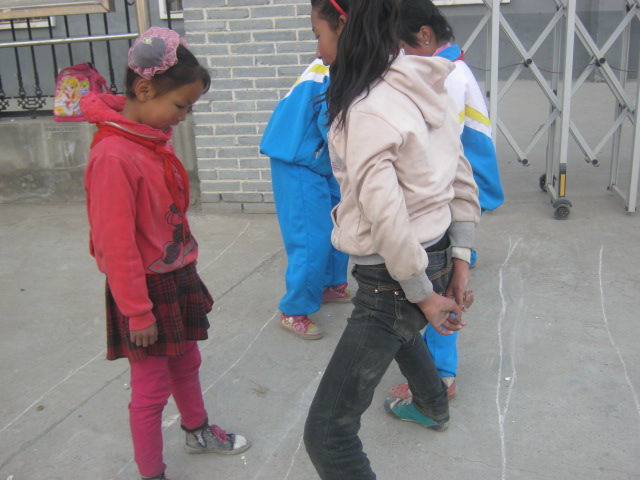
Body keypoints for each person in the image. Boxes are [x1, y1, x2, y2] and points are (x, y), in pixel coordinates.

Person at [302, 0, 480, 478]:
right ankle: (432, 404)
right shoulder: (427, 84)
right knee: (401, 332)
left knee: (327, 434)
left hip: (394, 275)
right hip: (432, 257)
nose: (317, 50)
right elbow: (461, 179)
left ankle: (430, 401)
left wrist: (422, 295)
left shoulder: (367, 108)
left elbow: (387, 216)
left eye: (319, 34)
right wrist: (458, 264)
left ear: (345, 25)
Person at [81, 27, 250, 480]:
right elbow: (116, 245)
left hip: (174, 276)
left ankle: (196, 431)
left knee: (187, 362)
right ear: (144, 90)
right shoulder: (114, 155)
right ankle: (151, 473)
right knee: (151, 391)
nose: (184, 117)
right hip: (143, 290)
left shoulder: (148, 137)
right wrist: (137, 313)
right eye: (180, 106)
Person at [388, 0, 504, 401]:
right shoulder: (453, 67)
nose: (401, 58)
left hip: (460, 192)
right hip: (458, 188)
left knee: (446, 284)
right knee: (451, 275)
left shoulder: (446, 75)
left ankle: (440, 376)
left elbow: (441, 148)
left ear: (424, 35)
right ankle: (439, 370)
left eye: (404, 47)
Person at [260, 48, 351, 340]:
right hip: (298, 157)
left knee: (340, 219)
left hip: (318, 155)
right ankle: (294, 309)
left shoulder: (351, 57)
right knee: (311, 237)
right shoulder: (340, 63)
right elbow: (334, 125)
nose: (317, 49)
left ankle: (330, 284)